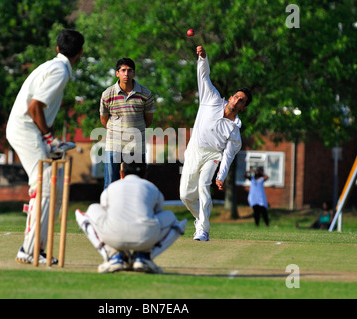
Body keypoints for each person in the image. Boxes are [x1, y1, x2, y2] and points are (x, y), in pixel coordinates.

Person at [6, 29, 84, 265]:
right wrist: (48, 137)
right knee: (46, 183)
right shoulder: (59, 70)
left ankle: (37, 247)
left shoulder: (52, 66)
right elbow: (34, 107)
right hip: (25, 127)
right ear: (80, 53)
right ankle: (28, 250)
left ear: (57, 48)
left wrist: (47, 138)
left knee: (54, 185)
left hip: (28, 129)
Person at [180, 46, 252, 241]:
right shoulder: (210, 98)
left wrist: (221, 176)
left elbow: (228, 156)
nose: (237, 101)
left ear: (243, 108)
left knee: (204, 186)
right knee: (185, 195)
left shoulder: (234, 130)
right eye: (236, 97)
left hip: (213, 156)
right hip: (194, 150)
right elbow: (204, 77)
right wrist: (203, 58)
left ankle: (202, 230)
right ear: (230, 97)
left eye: (241, 101)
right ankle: (201, 220)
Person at [75, 160, 187, 273]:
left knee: (91, 209)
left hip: (113, 236)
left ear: (121, 173)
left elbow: (104, 209)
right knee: (172, 217)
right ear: (145, 174)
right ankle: (144, 257)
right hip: (145, 238)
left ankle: (113, 256)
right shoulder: (152, 188)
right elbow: (158, 211)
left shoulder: (112, 187)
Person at [100, 58, 156, 189]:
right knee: (110, 183)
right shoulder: (108, 94)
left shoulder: (145, 94)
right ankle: (108, 209)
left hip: (136, 144)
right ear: (117, 73)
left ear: (134, 73)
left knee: (138, 183)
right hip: (114, 144)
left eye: (130, 71)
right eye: (123, 70)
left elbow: (148, 120)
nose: (126, 74)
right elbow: (104, 119)